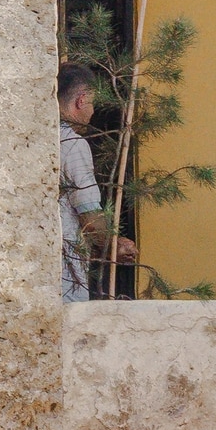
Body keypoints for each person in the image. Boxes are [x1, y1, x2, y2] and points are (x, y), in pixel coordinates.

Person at [58, 63, 134, 301]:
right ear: (81, 100)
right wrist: (114, 245)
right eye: (92, 103)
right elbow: (89, 215)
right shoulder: (72, 144)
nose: (92, 112)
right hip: (64, 273)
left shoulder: (35, 139)